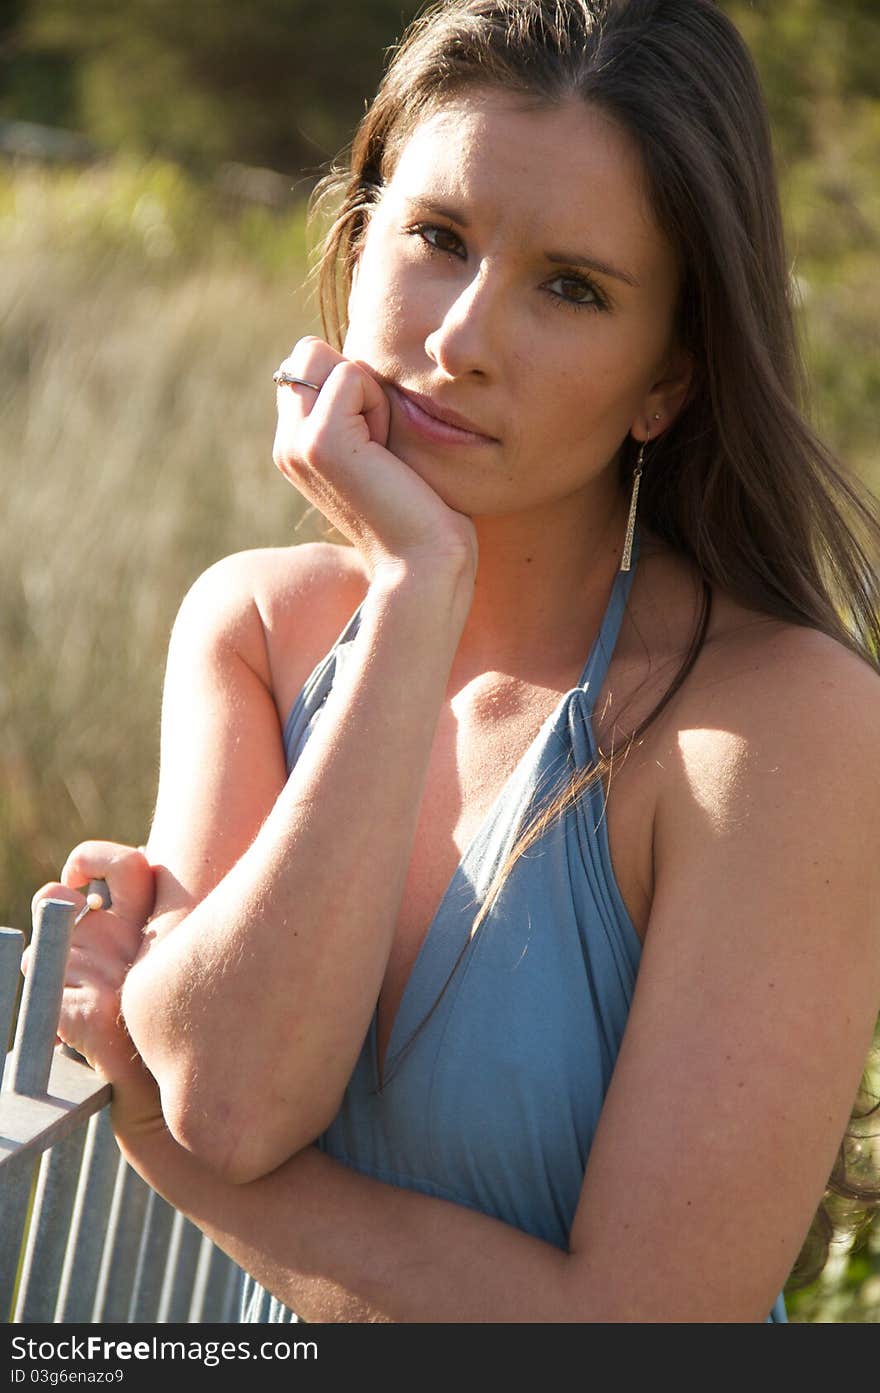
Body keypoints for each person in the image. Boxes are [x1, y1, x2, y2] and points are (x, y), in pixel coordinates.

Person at [30, 0, 880, 1323]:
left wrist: (162, 1144)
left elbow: (642, 1332)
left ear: (665, 381)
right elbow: (240, 1093)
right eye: (437, 238)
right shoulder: (253, 627)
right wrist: (418, 595)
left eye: (570, 287)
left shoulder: (783, 728)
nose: (461, 337)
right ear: (360, 242)